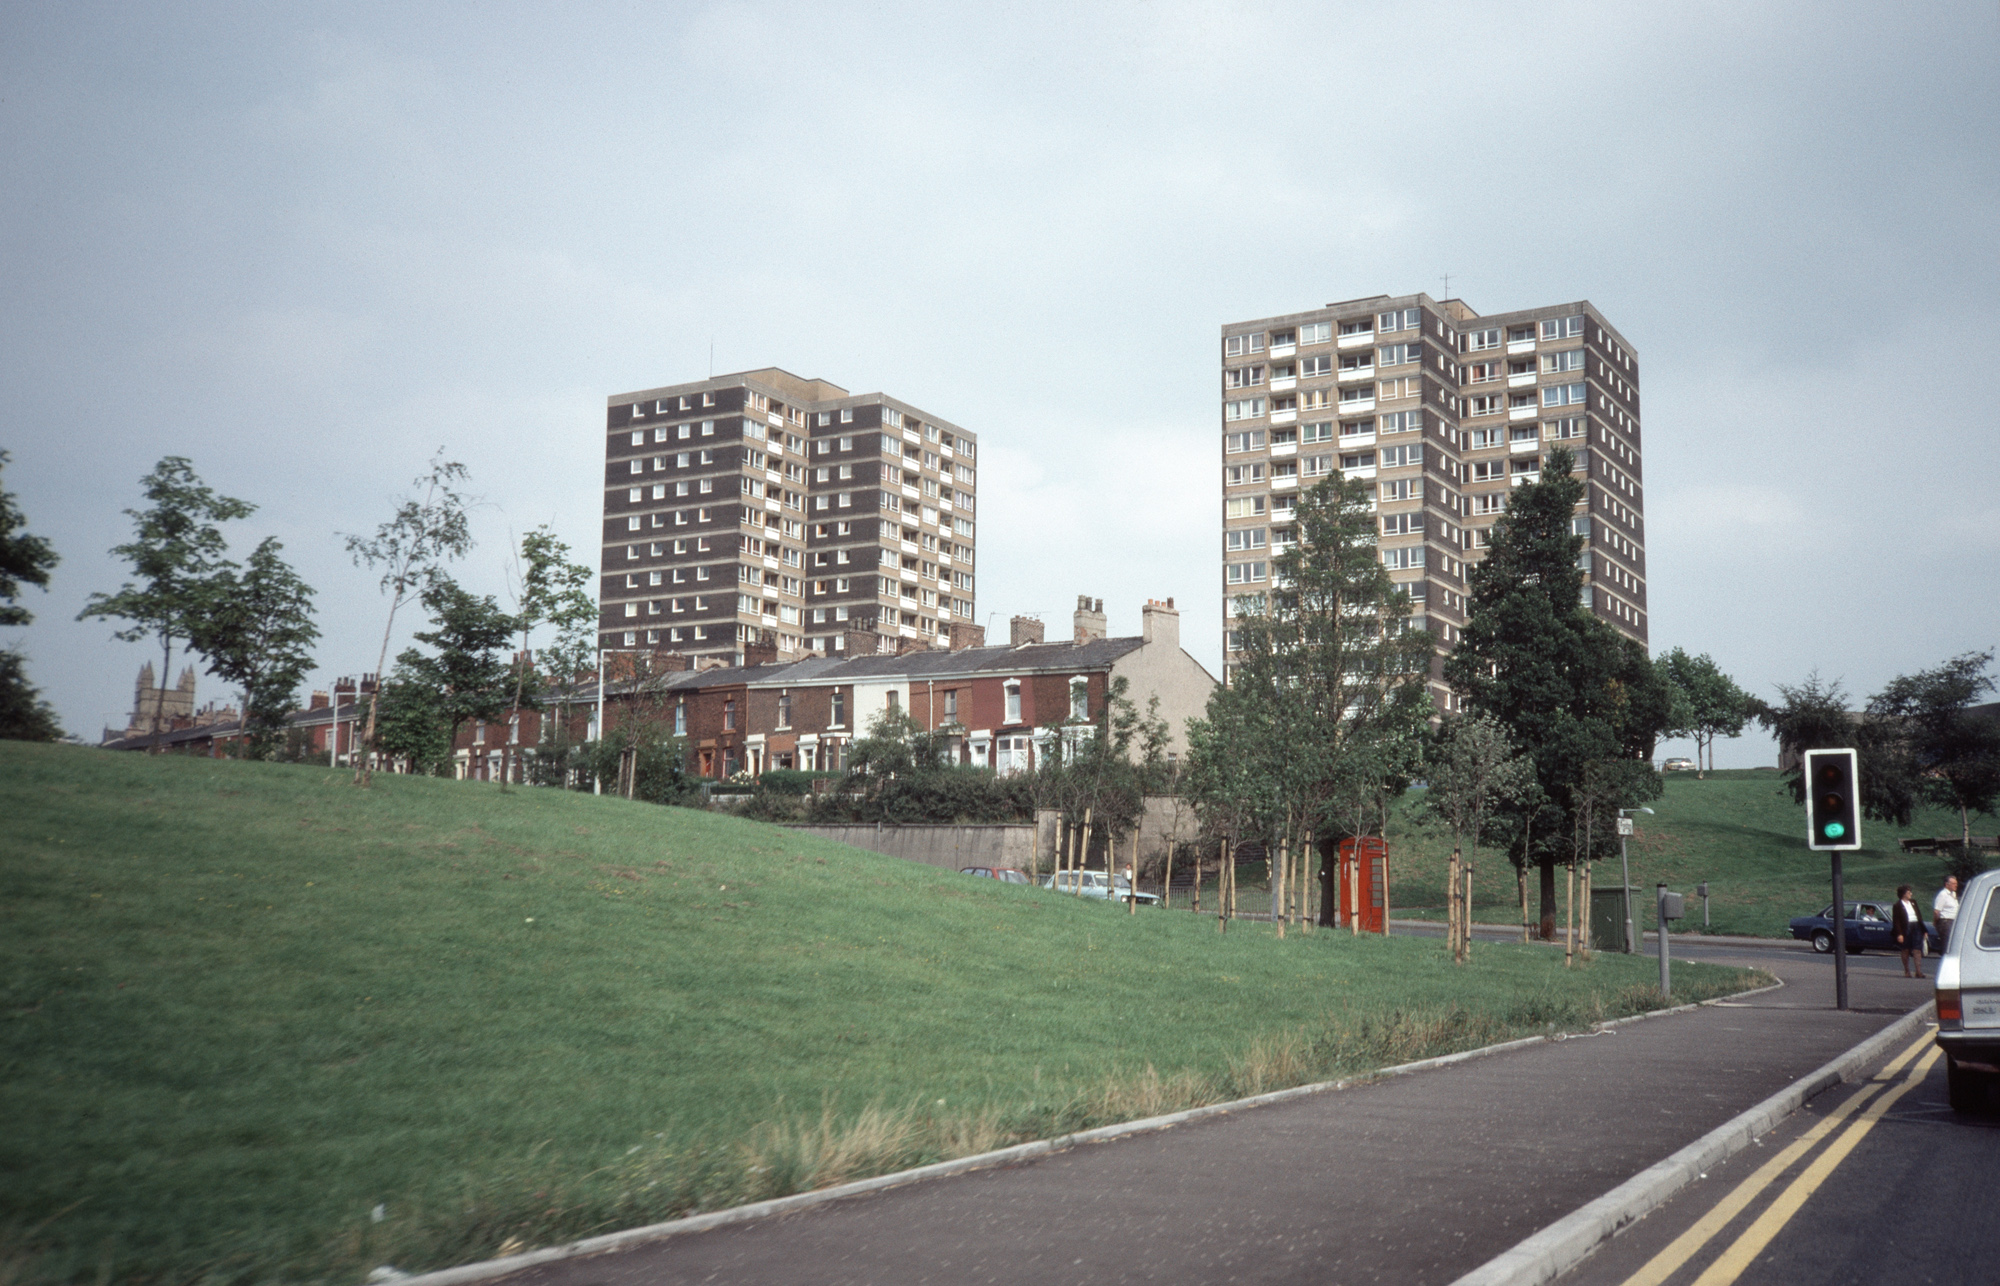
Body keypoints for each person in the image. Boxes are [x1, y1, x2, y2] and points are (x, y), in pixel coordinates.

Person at [1892, 884, 1927, 978]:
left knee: (1917, 949)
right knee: (1905, 949)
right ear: (1903, 894)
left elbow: (1919, 916)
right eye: (1908, 892)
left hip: (1916, 926)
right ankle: (1907, 971)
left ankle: (1918, 971)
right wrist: (1899, 934)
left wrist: (1924, 930)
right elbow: (1896, 921)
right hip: (1906, 927)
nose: (1911, 894)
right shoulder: (1897, 905)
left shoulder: (1913, 902)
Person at [1935, 876, 1960, 951]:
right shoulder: (1943, 894)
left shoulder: (1953, 894)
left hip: (1953, 922)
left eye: (1956, 883)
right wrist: (1936, 922)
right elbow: (1936, 911)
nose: (1956, 885)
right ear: (1947, 884)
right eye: (1953, 883)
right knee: (1946, 945)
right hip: (1946, 922)